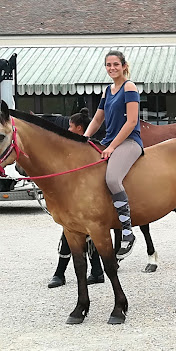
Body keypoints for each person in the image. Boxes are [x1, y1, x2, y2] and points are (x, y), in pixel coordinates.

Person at [84, 50, 143, 260]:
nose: (112, 68)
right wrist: (84, 138)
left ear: (124, 65)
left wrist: (112, 147)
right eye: (108, 65)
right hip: (109, 142)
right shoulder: (107, 91)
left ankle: (127, 232)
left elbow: (131, 122)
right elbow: (98, 119)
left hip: (129, 142)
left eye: (116, 64)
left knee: (112, 179)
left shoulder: (130, 87)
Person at [48, 108, 105, 288]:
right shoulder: (72, 148)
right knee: (84, 233)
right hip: (76, 197)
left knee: (72, 232)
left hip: (82, 198)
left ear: (80, 128)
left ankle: (60, 273)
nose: (69, 130)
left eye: (71, 127)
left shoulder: (88, 149)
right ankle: (96, 271)